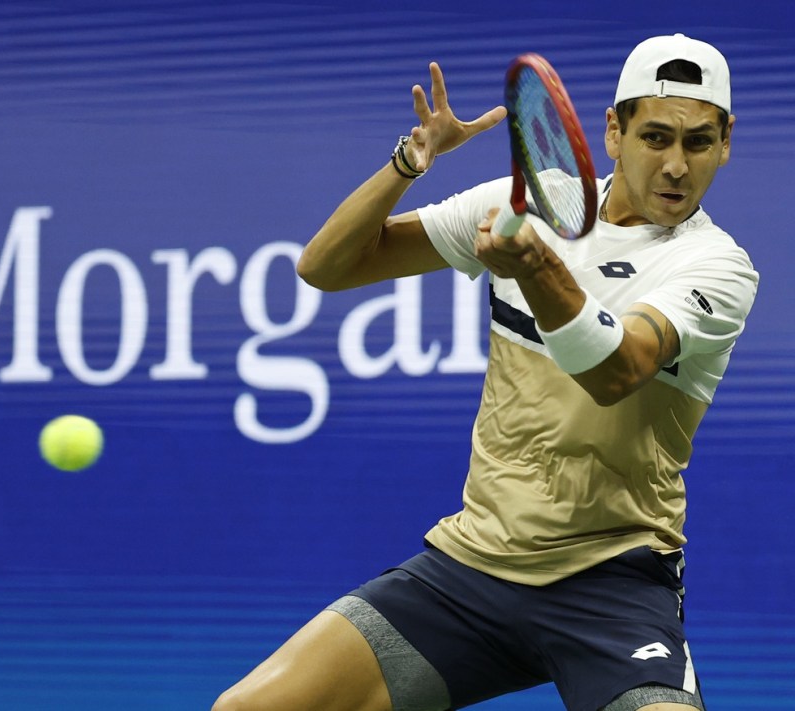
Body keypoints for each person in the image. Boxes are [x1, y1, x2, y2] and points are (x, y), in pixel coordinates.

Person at [213, 33, 758, 711]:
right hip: (472, 568)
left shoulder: (715, 266)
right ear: (613, 133)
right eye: (655, 137)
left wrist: (534, 267)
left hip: (613, 578)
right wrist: (408, 163)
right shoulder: (524, 200)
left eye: (699, 142)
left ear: (727, 141)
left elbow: (620, 370)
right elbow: (325, 266)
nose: (676, 165)